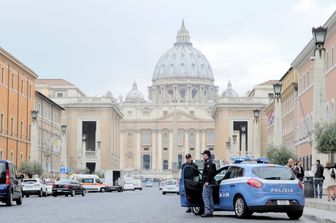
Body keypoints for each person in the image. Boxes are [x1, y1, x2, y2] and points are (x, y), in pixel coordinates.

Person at [201, 150, 216, 218]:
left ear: (206, 155)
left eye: (203, 155)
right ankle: (211, 211)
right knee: (210, 197)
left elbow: (209, 173)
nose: (203, 156)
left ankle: (207, 212)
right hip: (210, 182)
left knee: (205, 196)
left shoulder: (208, 162)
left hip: (208, 183)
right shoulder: (211, 161)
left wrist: (207, 181)